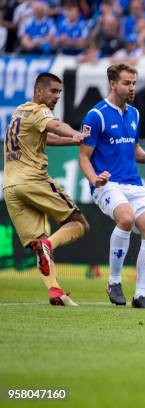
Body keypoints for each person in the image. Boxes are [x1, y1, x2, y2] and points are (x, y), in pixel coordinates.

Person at [78, 64, 145, 309]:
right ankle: (114, 282)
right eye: (127, 83)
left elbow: (133, 148)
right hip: (107, 184)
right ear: (113, 84)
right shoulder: (96, 116)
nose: (132, 88)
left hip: (133, 184)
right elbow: (84, 157)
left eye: (134, 83)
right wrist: (94, 180)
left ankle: (140, 295)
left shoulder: (135, 114)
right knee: (125, 219)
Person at [3, 72, 89, 306]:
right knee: (79, 223)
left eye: (59, 92)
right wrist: (75, 133)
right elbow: (55, 125)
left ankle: (54, 291)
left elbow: (46, 136)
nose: (56, 96)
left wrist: (70, 142)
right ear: (38, 90)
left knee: (37, 242)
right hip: (33, 179)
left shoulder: (20, 111)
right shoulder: (39, 110)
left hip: (10, 185)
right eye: (53, 91)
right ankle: (48, 245)